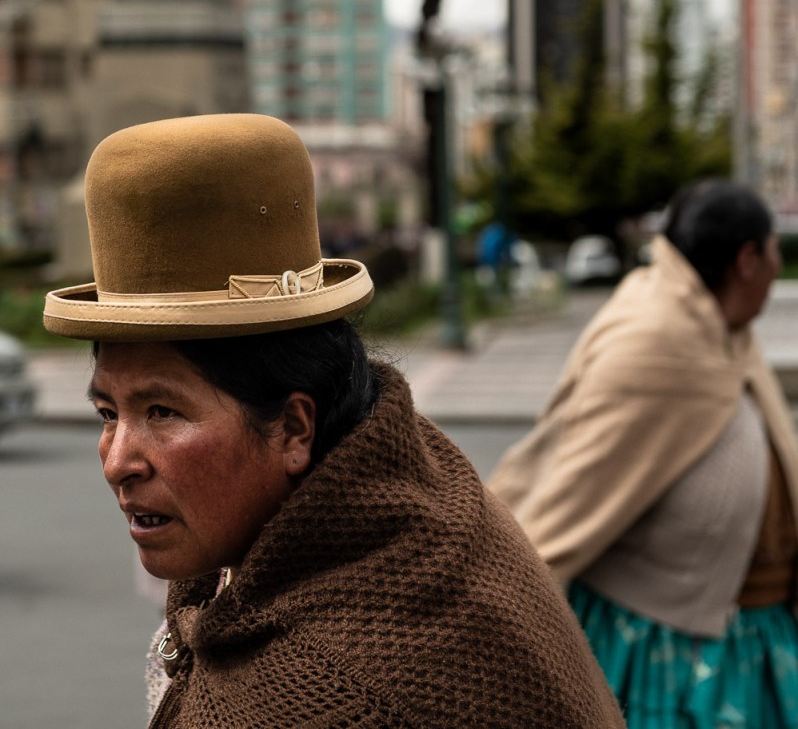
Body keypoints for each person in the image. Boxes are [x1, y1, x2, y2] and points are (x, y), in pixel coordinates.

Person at [43, 113, 624, 729]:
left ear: (294, 427)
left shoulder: (315, 694)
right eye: (108, 412)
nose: (116, 462)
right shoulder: (416, 480)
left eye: (163, 412)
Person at [490, 179, 798, 728]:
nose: (779, 263)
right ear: (748, 260)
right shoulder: (654, 339)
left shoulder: (728, 332)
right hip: (664, 658)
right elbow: (568, 495)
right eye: (775, 248)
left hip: (751, 644)